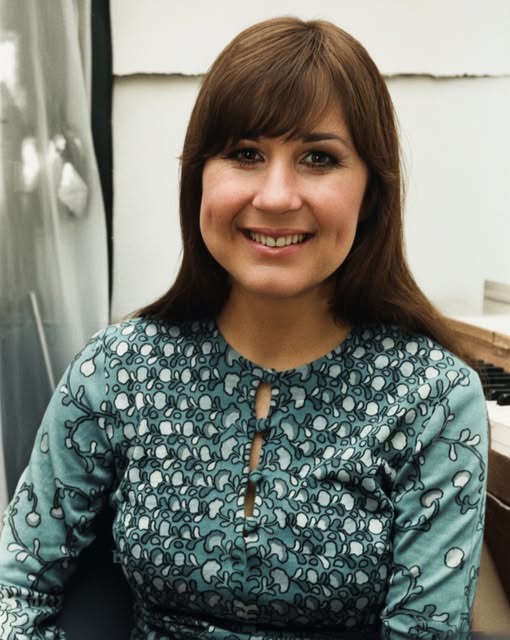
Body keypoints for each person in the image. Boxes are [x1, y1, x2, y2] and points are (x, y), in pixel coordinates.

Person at [0, 16, 488, 640]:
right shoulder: (115, 370)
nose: (277, 196)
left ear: (371, 191)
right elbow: (16, 586)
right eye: (245, 154)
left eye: (319, 158)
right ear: (199, 177)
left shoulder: (432, 399)